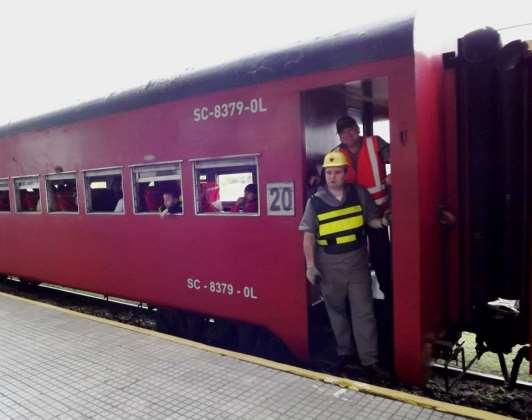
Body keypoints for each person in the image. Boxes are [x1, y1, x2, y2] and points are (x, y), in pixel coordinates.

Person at [299, 151, 390, 377]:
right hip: (328, 264)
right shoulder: (315, 201)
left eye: (337, 172)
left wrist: (384, 222)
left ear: (345, 173)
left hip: (357, 262)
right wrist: (310, 265)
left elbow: (371, 221)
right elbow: (308, 235)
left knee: (364, 312)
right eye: (328, 173)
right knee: (336, 311)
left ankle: (370, 361)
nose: (332, 177)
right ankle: (345, 355)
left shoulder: (359, 194)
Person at [332, 115, 393, 366]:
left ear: (357, 131)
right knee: (356, 256)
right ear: (340, 136)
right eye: (344, 132)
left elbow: (401, 154)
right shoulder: (337, 153)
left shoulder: (375, 143)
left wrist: (393, 175)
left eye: (351, 130)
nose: (349, 134)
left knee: (381, 256)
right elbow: (328, 175)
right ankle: (360, 293)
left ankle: (390, 294)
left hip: (377, 212)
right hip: (353, 216)